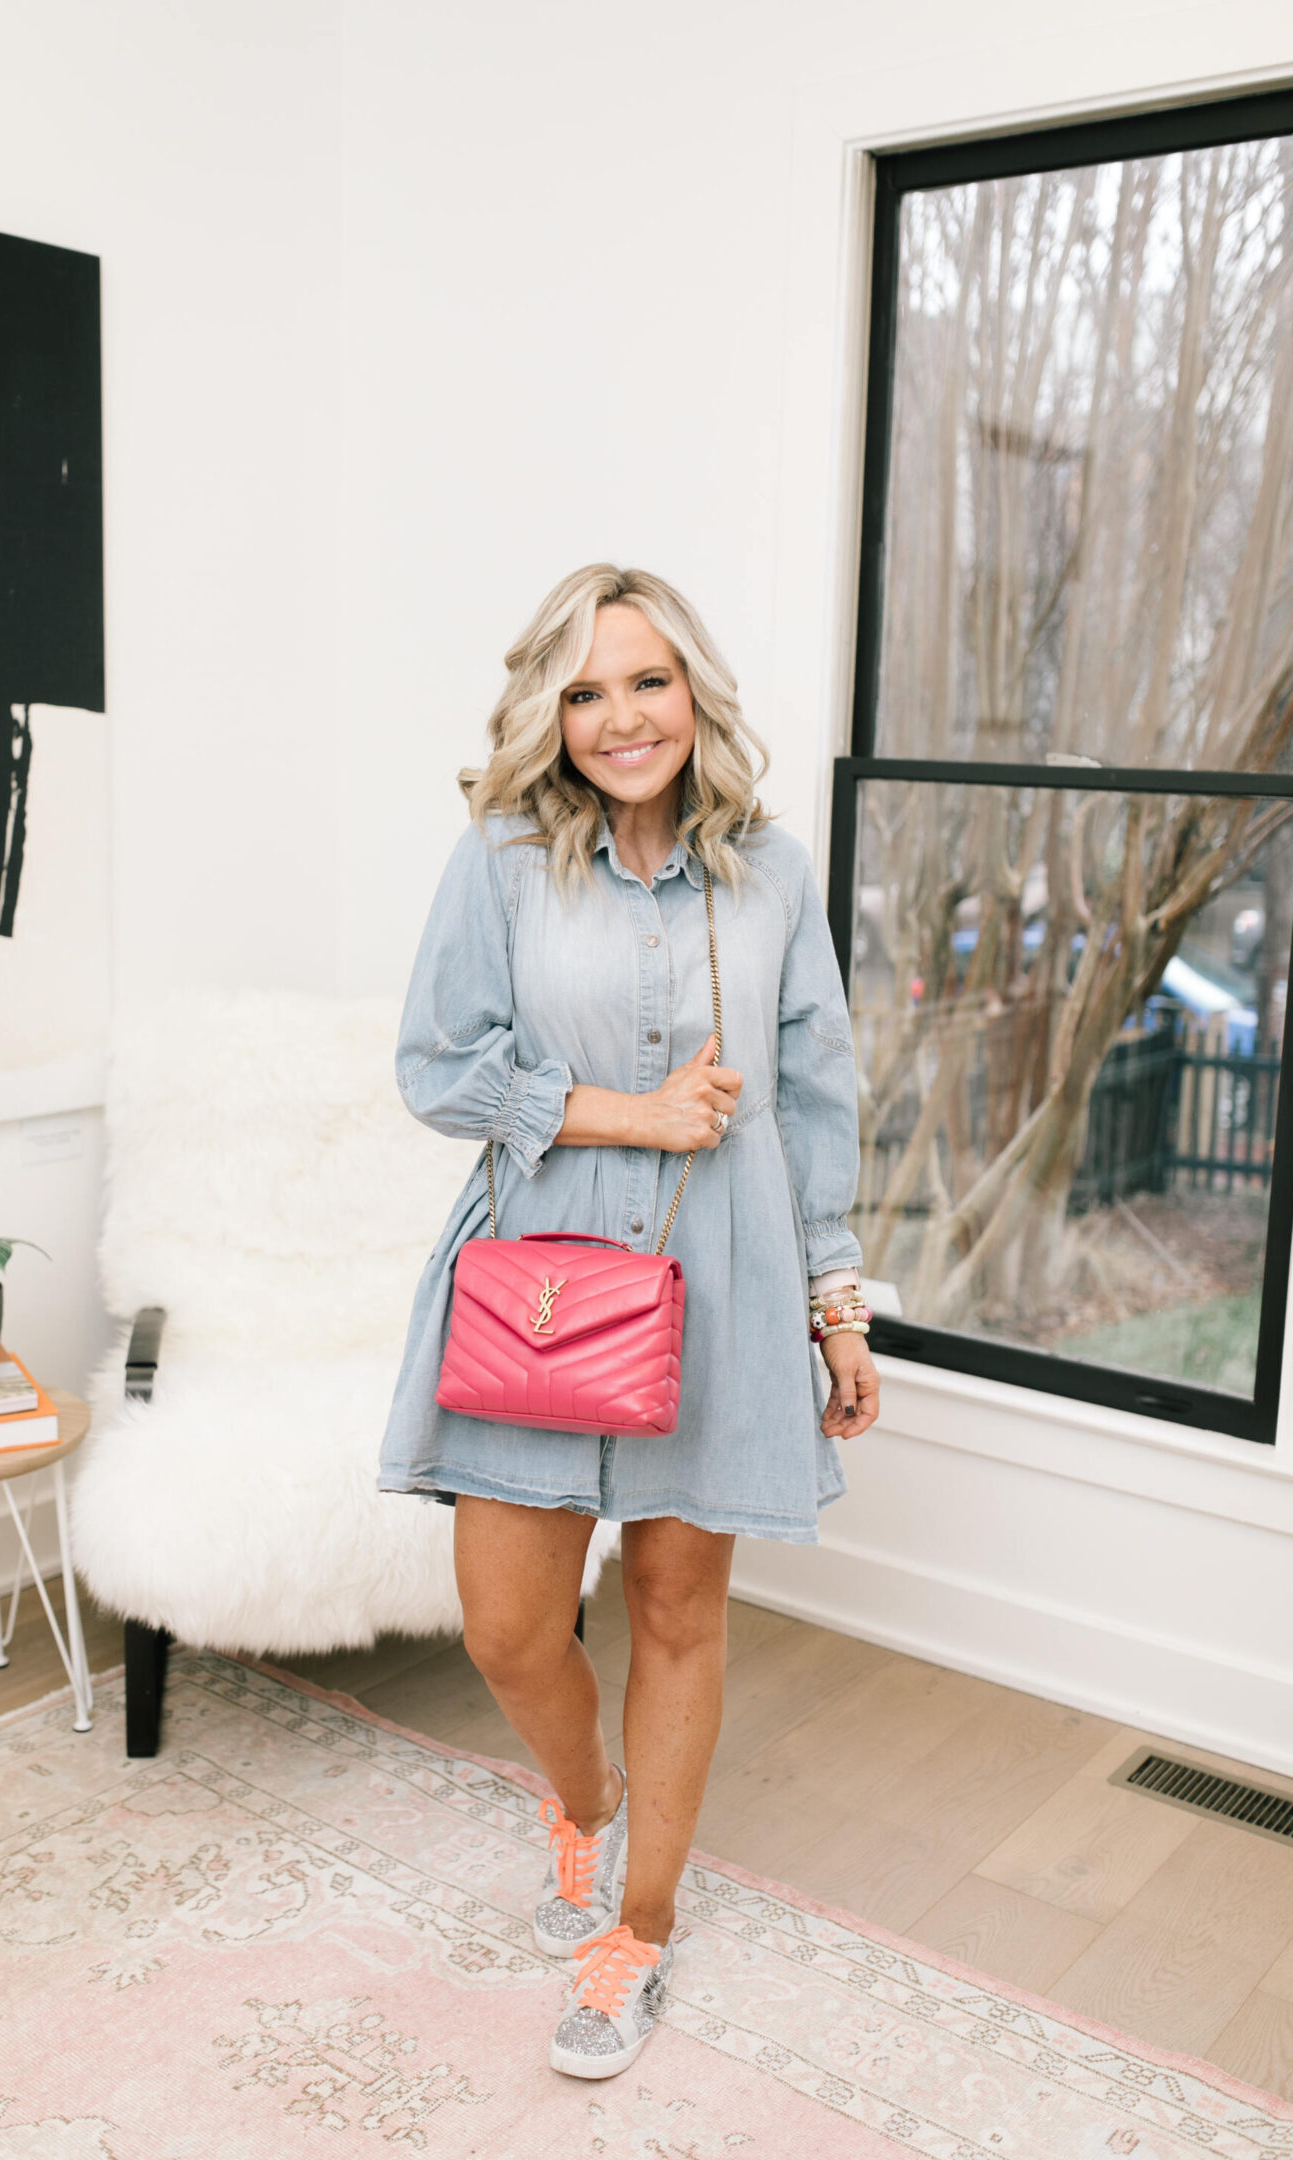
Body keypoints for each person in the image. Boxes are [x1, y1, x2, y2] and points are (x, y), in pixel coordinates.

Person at [378, 563, 879, 2079]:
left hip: (723, 1267)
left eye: (645, 682)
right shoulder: (504, 858)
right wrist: (624, 1115)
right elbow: (435, 1065)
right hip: (539, 1261)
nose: (617, 718)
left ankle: (634, 1933)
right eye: (583, 693)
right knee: (509, 1622)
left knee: (678, 1611)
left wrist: (837, 1306)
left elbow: (812, 1100)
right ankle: (585, 1802)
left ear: (695, 692)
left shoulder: (772, 875)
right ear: (551, 715)